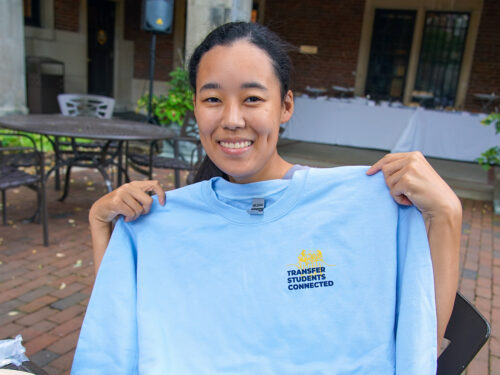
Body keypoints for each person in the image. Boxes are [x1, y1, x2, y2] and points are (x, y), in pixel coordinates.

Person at [73, 22, 462, 374]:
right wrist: (99, 221)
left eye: (252, 99)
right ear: (195, 107)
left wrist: (446, 213)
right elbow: (117, 331)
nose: (231, 119)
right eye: (212, 99)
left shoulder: (363, 209)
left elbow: (418, 347)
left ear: (286, 106)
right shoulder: (164, 219)